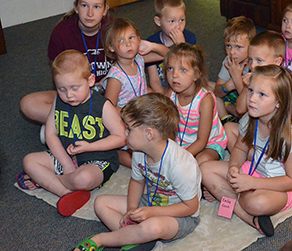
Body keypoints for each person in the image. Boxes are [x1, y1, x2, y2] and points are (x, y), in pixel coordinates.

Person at [19, 0, 166, 139]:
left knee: (154, 96)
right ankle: (83, 127)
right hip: (77, 93)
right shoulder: (61, 33)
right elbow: (59, 76)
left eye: (96, 7)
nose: (90, 13)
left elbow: (154, 55)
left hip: (113, 93)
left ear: (105, 9)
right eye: (84, 6)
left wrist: (152, 46)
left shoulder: (113, 30)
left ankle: (66, 126)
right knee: (28, 104)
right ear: (76, 7)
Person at [72, 93, 201, 251]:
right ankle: (137, 239)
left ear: (149, 134)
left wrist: (152, 212)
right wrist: (131, 209)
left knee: (152, 227)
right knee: (101, 203)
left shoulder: (180, 165)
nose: (125, 133)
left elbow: (191, 207)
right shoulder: (139, 151)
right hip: (150, 202)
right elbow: (137, 181)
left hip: (180, 215)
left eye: (129, 129)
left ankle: (100, 240)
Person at [201, 65, 292, 237]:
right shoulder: (249, 119)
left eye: (261, 94)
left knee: (256, 203)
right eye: (251, 90)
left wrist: (251, 183)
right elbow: (239, 148)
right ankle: (251, 218)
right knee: (205, 169)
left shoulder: (290, 136)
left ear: (278, 102)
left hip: (283, 185)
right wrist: (234, 167)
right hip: (257, 168)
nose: (251, 98)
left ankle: (231, 199)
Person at [17, 50, 126, 217]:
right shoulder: (59, 101)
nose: (69, 95)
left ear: (90, 80)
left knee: (82, 179)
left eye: (75, 88)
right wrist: (66, 164)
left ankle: (46, 182)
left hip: (98, 160)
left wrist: (90, 146)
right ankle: (65, 193)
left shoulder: (103, 106)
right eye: (61, 89)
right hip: (65, 156)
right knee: (29, 161)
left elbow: (120, 137)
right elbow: (51, 134)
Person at [102, 17, 154, 168]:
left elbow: (166, 54)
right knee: (133, 153)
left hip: (142, 112)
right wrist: (129, 115)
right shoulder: (116, 77)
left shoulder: (139, 59)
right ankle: (115, 154)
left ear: (138, 40)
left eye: (131, 38)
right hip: (124, 118)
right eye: (121, 41)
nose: (128, 44)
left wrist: (152, 45)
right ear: (111, 47)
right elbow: (108, 108)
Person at [165, 43, 228, 164]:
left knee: (200, 162)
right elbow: (166, 126)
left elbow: (202, 141)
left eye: (183, 70)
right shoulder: (169, 93)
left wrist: (179, 157)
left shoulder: (205, 100)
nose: (174, 75)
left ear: (196, 75)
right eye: (170, 68)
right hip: (182, 142)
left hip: (209, 144)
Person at [227, 30, 284, 152]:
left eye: (259, 61)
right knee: (228, 128)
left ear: (277, 62)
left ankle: (255, 159)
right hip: (255, 129)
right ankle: (248, 158)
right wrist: (247, 87)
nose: (252, 66)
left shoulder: (280, 83)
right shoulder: (253, 78)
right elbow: (240, 109)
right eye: (251, 60)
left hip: (273, 136)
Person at [146, 0, 197, 93]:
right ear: (158, 22)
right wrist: (164, 99)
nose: (178, 26)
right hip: (163, 88)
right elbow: (154, 80)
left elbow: (194, 70)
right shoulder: (152, 43)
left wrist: (182, 45)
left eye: (182, 20)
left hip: (186, 85)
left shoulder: (189, 38)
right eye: (172, 21)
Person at [214, 16, 256, 125]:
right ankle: (226, 118)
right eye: (228, 46)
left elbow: (247, 100)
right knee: (207, 90)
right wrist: (227, 86)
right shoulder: (228, 61)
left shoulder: (254, 66)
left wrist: (237, 79)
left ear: (251, 46)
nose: (232, 52)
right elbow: (217, 91)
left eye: (238, 47)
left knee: (249, 111)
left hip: (246, 104)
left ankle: (231, 110)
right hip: (230, 96)